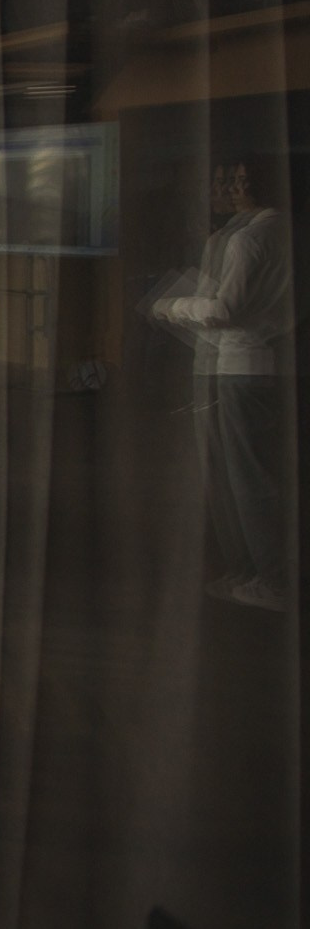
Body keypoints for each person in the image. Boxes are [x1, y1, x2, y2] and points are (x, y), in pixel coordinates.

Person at [152, 157, 294, 611]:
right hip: (267, 365)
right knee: (257, 475)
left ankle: (272, 581)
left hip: (240, 365)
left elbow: (224, 310)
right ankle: (256, 573)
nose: (225, 189)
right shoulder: (282, 231)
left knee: (247, 478)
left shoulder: (248, 239)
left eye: (229, 181)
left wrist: (171, 308)